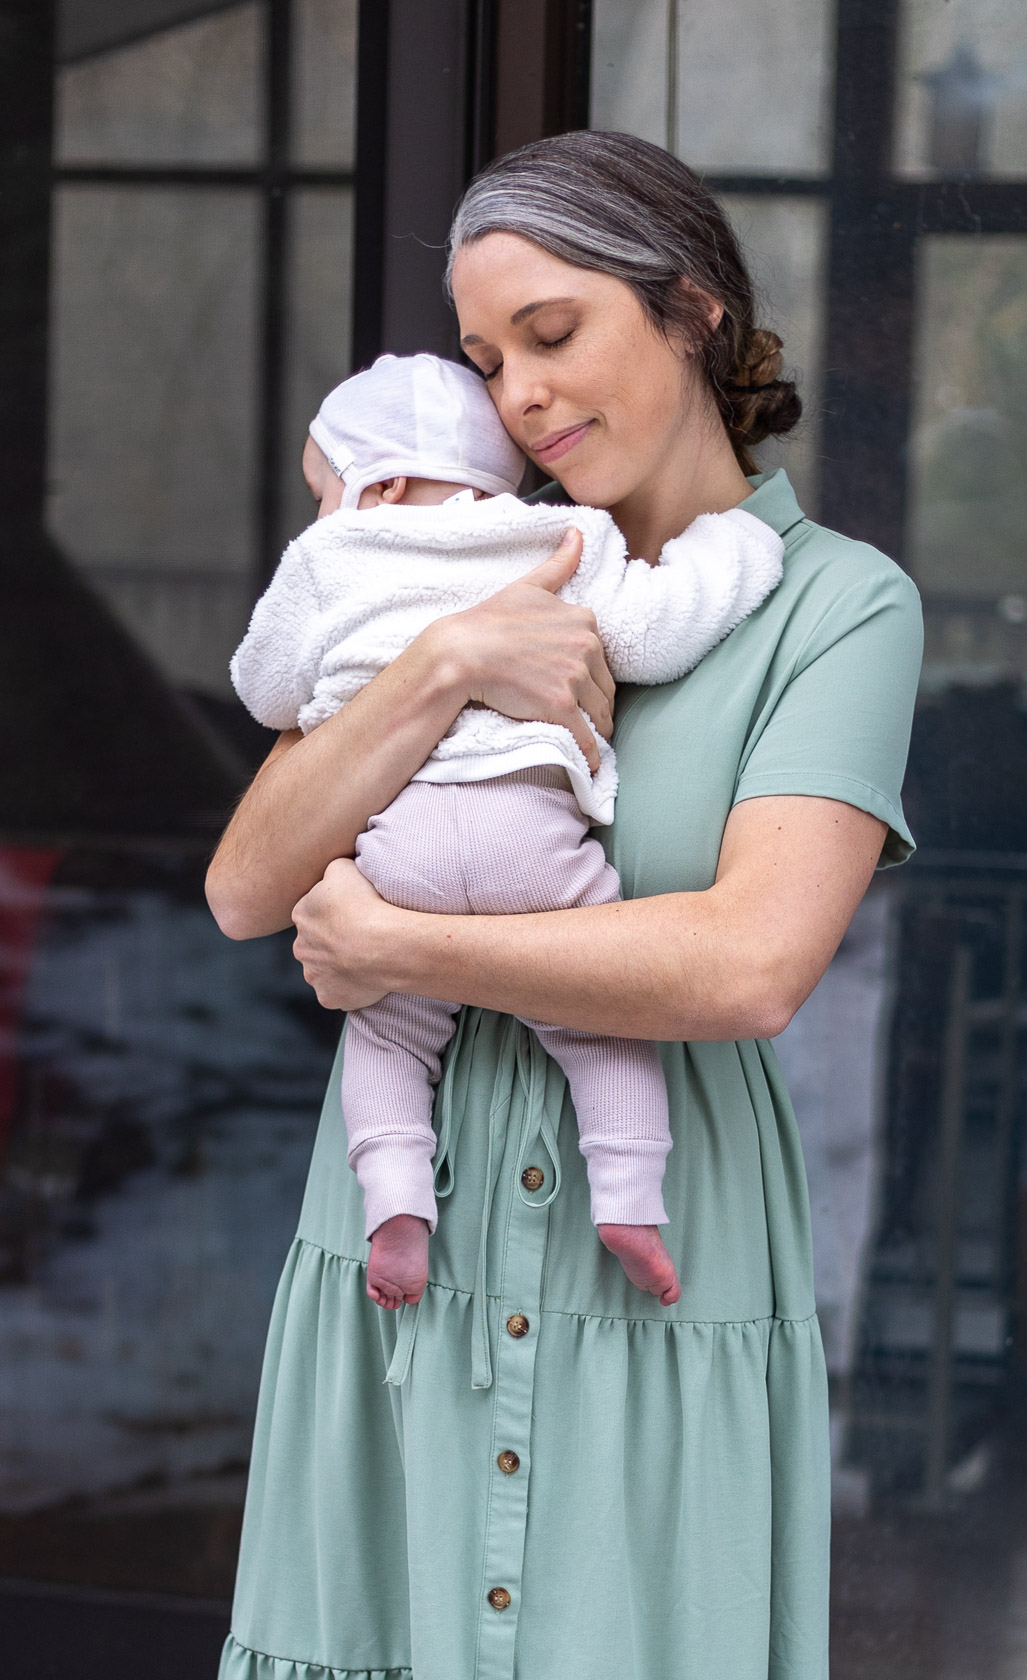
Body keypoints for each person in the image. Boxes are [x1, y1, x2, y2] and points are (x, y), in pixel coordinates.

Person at [206, 129, 923, 1680]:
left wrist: (403, 949)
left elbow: (746, 965)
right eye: (486, 357)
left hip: (657, 1264)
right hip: (403, 1247)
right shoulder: (431, 557)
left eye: (555, 333)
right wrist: (451, 660)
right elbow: (249, 884)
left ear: (693, 313)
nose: (519, 394)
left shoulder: (836, 608)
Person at [228, 350, 783, 1310]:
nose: (322, 516)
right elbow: (657, 627)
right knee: (603, 1027)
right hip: (527, 830)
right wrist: (736, 548)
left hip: (398, 851)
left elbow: (263, 685)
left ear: (380, 483)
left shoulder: (329, 559)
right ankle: (627, 1202)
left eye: (326, 491)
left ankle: (397, 1204)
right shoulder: (558, 537)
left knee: (388, 1034)